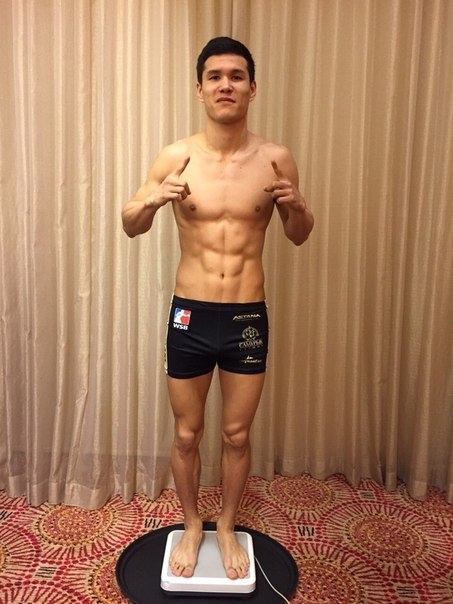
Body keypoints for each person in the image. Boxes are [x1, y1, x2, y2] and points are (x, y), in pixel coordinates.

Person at [121, 37, 314, 581]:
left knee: (236, 435)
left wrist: (299, 208)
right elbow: (130, 223)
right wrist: (152, 200)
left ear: (252, 88)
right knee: (187, 433)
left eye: (236, 76)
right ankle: (191, 523)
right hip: (190, 314)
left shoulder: (275, 158)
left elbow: (299, 235)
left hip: (247, 317)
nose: (225, 84)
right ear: (200, 88)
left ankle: (226, 524)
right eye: (214, 76)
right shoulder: (176, 156)